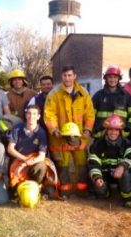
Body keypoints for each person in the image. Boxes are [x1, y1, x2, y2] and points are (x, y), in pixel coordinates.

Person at [44, 65, 95, 198]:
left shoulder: (83, 93)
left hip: (80, 137)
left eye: (70, 75)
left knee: (82, 164)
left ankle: (82, 190)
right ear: (61, 77)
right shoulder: (54, 94)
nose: (67, 78)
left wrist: (88, 129)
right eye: (65, 75)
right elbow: (49, 114)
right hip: (60, 137)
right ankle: (64, 191)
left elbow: (89, 114)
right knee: (63, 165)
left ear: (75, 76)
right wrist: (54, 129)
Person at [8, 105, 57, 198]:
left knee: (42, 166)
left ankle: (37, 187)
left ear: (38, 117)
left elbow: (41, 156)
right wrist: (24, 159)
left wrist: (26, 163)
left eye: (34, 114)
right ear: (26, 115)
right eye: (29, 113)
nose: (31, 116)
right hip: (18, 160)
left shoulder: (41, 132)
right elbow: (10, 149)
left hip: (33, 162)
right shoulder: (17, 128)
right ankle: (17, 187)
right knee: (14, 191)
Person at [88, 114, 131, 207]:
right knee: (99, 187)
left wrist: (122, 166)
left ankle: (127, 198)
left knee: (126, 174)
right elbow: (93, 163)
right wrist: (97, 178)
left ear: (120, 131)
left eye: (116, 130)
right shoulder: (98, 144)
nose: (113, 132)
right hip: (105, 173)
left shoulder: (127, 143)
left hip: (120, 174)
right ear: (106, 130)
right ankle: (106, 193)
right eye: (110, 129)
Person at [92, 65, 131, 138]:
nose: (112, 80)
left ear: (119, 79)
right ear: (106, 78)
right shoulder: (98, 95)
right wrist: (95, 129)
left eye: (115, 77)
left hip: (120, 135)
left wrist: (129, 126)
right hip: (101, 135)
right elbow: (91, 115)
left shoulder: (126, 96)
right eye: (110, 77)